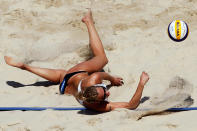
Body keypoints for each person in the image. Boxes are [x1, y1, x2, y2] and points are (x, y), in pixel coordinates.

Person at [4, 9, 149, 112]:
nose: (108, 93)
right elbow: (131, 105)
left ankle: (25, 67)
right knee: (93, 62)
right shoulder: (94, 102)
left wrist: (111, 80)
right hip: (64, 86)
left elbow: (108, 81)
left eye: (104, 91)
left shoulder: (94, 80)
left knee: (93, 62)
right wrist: (141, 83)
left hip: (73, 78)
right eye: (104, 93)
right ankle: (88, 21)